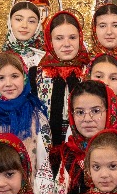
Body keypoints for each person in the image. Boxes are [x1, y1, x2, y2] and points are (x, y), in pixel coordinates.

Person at [35, 11, 91, 149]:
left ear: (80, 38)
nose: (67, 44)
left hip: (86, 149)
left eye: (72, 37)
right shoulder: (35, 75)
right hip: (45, 151)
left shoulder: (90, 72)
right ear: (49, 40)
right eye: (59, 38)